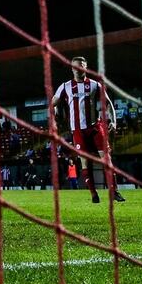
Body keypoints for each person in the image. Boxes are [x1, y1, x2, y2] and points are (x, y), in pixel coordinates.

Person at [50, 57, 126, 204]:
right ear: (72, 69)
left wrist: (114, 121)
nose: (79, 69)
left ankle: (114, 191)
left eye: (82, 66)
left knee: (107, 159)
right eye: (76, 67)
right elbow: (53, 103)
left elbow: (108, 103)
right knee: (85, 163)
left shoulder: (95, 85)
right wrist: (55, 116)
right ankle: (93, 194)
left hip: (95, 128)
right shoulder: (65, 86)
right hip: (78, 130)